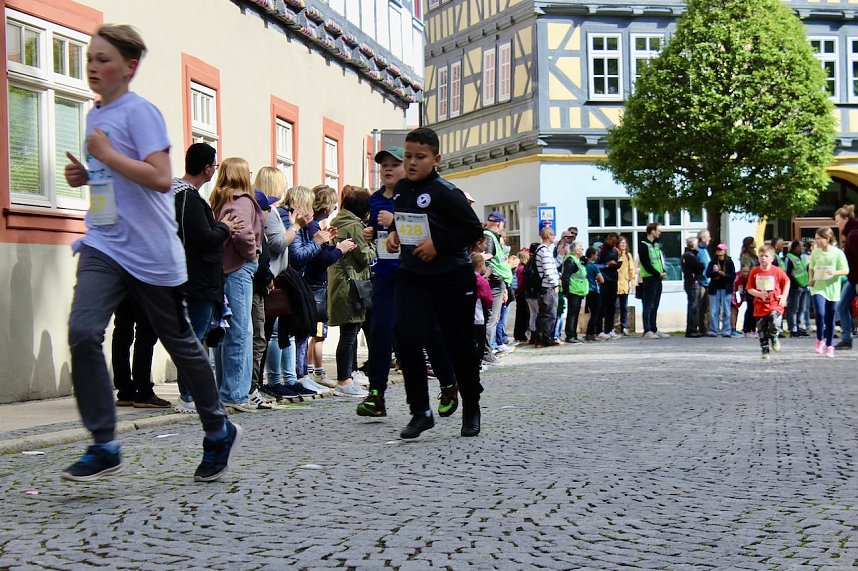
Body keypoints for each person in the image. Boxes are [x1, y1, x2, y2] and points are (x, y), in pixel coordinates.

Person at [62, 24, 239, 482]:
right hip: (104, 243)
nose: (93, 67)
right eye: (90, 59)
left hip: (151, 252)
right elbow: (115, 173)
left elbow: (161, 178)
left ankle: (218, 428)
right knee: (83, 332)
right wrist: (89, 174)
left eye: (103, 59)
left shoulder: (142, 113)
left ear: (129, 67)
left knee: (182, 345)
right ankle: (104, 442)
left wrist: (107, 155)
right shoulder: (94, 114)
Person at [386, 127, 484, 439]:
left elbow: (472, 230)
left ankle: (471, 405)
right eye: (408, 156)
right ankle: (420, 411)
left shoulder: (446, 193)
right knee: (406, 338)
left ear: (436, 159)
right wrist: (394, 235)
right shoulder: (401, 188)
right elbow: (407, 223)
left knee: (459, 344)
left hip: (451, 277)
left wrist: (438, 245)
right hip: (413, 276)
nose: (412, 163)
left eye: (420, 157)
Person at [173, 142, 239, 414]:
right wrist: (225, 227)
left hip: (195, 277)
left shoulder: (184, 195)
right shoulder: (187, 198)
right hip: (195, 279)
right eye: (214, 165)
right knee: (194, 337)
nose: (215, 170)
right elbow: (202, 238)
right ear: (206, 168)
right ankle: (188, 395)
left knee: (198, 336)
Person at [209, 158, 263, 413]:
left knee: (226, 331)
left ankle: (226, 389)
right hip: (239, 268)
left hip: (225, 268)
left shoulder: (221, 199)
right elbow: (242, 233)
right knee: (240, 332)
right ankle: (234, 393)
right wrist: (252, 253)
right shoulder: (241, 200)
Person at [328, 186, 374, 397]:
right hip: (352, 284)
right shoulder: (355, 226)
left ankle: (347, 377)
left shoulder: (339, 222)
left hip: (343, 283)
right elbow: (364, 257)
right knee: (349, 334)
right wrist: (374, 246)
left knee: (350, 332)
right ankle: (344, 381)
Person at [110, 295, 168, 408]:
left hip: (122, 287)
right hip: (145, 287)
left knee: (122, 335)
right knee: (145, 336)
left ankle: (125, 390)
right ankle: (143, 392)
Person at [809, 226, 849, 357]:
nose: (817, 242)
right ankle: (820, 340)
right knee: (820, 313)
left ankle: (830, 345)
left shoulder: (838, 253)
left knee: (830, 317)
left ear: (828, 238)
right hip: (818, 287)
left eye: (819, 239)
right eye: (816, 239)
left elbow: (846, 270)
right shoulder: (815, 252)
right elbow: (811, 267)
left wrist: (834, 272)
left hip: (832, 288)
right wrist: (810, 279)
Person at [746, 245, 790, 359]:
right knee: (761, 328)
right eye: (761, 256)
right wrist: (759, 294)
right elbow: (749, 288)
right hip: (760, 305)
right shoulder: (754, 271)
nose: (763, 258)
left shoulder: (777, 271)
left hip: (775, 303)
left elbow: (787, 282)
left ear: (772, 258)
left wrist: (784, 297)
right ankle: (765, 349)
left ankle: (774, 336)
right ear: (758, 258)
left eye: (766, 256)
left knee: (774, 321)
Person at [482, 212, 513, 361]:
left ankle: (488, 351)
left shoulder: (491, 236)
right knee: (491, 319)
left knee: (492, 319)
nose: (503, 227)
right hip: (494, 281)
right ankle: (486, 353)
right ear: (498, 223)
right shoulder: (489, 235)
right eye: (502, 224)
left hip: (498, 281)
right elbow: (486, 258)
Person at [834, 205, 858, 350]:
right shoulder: (850, 233)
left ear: (846, 219)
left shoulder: (853, 235)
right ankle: (847, 339)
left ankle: (847, 339)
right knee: (842, 306)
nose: (837, 224)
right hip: (853, 279)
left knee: (842, 306)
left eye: (838, 221)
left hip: (856, 279)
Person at [639, 223, 668, 339]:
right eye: (658, 230)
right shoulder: (643, 245)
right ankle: (647, 329)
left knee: (655, 304)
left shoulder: (656, 245)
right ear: (652, 231)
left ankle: (654, 328)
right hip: (649, 278)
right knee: (648, 304)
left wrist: (663, 271)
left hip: (657, 278)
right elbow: (645, 263)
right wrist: (657, 273)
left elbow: (659, 261)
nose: (659, 232)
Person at [534, 227, 561, 347]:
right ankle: (544, 338)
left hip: (546, 286)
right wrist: (555, 283)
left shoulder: (543, 250)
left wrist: (560, 255)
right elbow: (548, 270)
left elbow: (553, 265)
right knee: (549, 314)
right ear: (548, 235)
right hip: (548, 287)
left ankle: (542, 338)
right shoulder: (544, 251)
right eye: (553, 235)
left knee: (545, 313)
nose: (554, 237)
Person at [705, 243, 736, 337]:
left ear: (725, 251)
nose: (719, 252)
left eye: (721, 250)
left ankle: (726, 330)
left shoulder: (729, 262)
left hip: (726, 289)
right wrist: (715, 273)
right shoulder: (712, 262)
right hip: (714, 288)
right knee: (714, 310)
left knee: (726, 311)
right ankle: (713, 330)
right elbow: (708, 273)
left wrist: (724, 275)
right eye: (718, 250)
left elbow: (732, 276)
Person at [596, 232, 621, 339]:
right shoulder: (600, 249)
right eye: (613, 241)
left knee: (612, 306)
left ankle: (609, 329)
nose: (614, 244)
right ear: (609, 239)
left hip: (613, 280)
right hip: (603, 281)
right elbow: (594, 264)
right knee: (602, 306)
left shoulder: (615, 250)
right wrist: (607, 265)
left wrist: (617, 265)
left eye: (616, 242)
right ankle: (599, 330)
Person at [560, 242, 587, 343]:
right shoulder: (571, 261)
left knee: (575, 314)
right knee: (572, 314)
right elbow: (565, 277)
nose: (582, 249)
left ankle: (573, 335)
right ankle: (570, 335)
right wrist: (566, 291)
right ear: (575, 250)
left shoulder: (577, 260)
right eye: (580, 247)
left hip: (578, 290)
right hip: (573, 290)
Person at [784, 239, 810, 339]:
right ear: (795, 247)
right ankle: (793, 328)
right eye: (800, 246)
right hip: (795, 287)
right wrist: (794, 285)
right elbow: (788, 273)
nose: (802, 248)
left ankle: (799, 326)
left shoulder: (801, 257)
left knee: (802, 308)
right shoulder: (789, 258)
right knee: (793, 308)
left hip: (804, 285)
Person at [681, 237, 705, 337]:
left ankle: (692, 328)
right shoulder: (689, 256)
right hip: (692, 283)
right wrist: (701, 265)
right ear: (693, 245)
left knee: (693, 305)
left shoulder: (687, 255)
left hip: (690, 282)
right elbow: (699, 266)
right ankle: (692, 329)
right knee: (693, 306)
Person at [738, 236, 759, 337]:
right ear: (750, 244)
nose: (755, 243)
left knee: (754, 306)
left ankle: (752, 328)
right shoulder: (745, 256)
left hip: (757, 282)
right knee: (751, 307)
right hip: (750, 282)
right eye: (753, 242)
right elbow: (746, 270)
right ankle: (747, 329)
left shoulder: (754, 255)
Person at [583, 247, 604, 341]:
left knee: (591, 313)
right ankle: (591, 333)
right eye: (596, 254)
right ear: (592, 255)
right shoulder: (594, 266)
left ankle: (589, 333)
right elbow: (602, 280)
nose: (597, 256)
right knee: (595, 314)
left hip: (586, 291)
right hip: (594, 291)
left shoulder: (583, 265)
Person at [615, 236, 635, 335]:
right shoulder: (615, 254)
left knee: (624, 307)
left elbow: (631, 270)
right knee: (613, 307)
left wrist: (633, 283)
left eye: (624, 243)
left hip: (624, 284)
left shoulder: (628, 255)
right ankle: (612, 327)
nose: (623, 245)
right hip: (615, 284)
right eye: (621, 243)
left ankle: (624, 326)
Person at [512, 249, 531, 343]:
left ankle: (519, 334)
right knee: (523, 315)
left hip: (519, 293)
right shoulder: (522, 269)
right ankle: (520, 334)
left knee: (520, 315)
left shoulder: (518, 268)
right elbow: (520, 282)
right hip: (522, 293)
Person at [696, 230, 712, 334]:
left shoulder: (706, 250)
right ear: (703, 238)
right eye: (708, 237)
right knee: (700, 306)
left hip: (709, 282)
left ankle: (706, 328)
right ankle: (701, 328)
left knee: (707, 307)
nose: (710, 238)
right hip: (701, 282)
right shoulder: (697, 250)